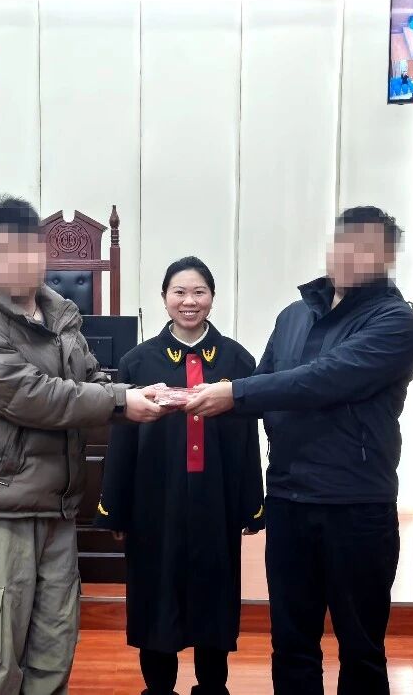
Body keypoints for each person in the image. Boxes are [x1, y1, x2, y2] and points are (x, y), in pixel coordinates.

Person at [184, 206, 413, 695]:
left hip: (356, 505)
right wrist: (180, 400)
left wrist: (232, 393)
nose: (351, 255)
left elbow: (320, 380)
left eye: (368, 248)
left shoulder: (396, 322)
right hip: (290, 500)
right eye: (345, 242)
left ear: (386, 259)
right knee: (291, 643)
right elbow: (265, 385)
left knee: (361, 648)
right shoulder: (293, 316)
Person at [0, 195, 167, 695]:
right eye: (5, 251)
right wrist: (120, 401)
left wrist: (143, 394)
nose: (20, 261)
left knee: (53, 655)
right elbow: (34, 397)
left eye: (29, 248)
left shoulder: (60, 314)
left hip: (58, 513)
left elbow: (90, 380)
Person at [95, 257, 265, 695]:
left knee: (215, 596)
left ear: (212, 297)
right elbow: (122, 440)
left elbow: (248, 439)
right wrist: (116, 508)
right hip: (155, 503)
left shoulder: (237, 360)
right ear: (164, 298)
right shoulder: (137, 361)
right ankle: (158, 688)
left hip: (216, 503)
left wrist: (251, 504)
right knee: (156, 597)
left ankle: (212, 686)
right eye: (180, 292)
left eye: (199, 292)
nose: (189, 301)